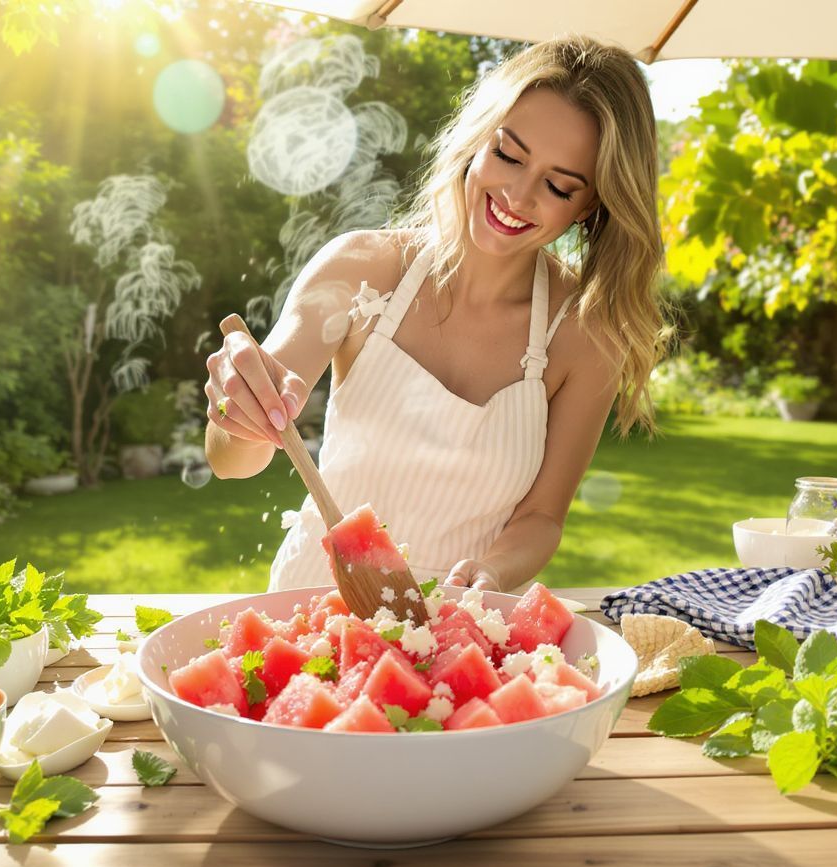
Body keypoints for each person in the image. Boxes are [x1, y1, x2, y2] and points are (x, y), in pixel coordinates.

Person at [204, 35, 667, 595]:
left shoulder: (586, 335)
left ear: (589, 204)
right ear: (478, 139)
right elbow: (233, 462)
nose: (518, 196)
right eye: (508, 155)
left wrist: (493, 571)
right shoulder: (360, 269)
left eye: (557, 185)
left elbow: (543, 517)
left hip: (461, 620)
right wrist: (242, 407)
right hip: (313, 606)